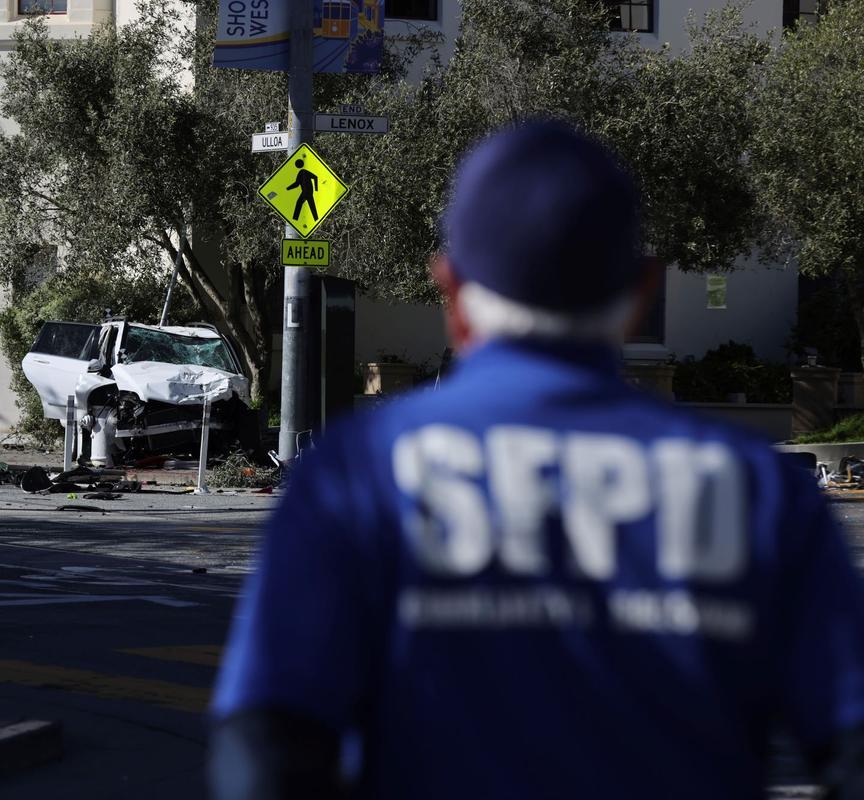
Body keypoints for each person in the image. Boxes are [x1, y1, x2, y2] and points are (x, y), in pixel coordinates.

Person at [208, 121, 864, 799]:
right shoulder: (756, 488)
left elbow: (266, 745)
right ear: (641, 294)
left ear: (450, 292)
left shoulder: (359, 470)